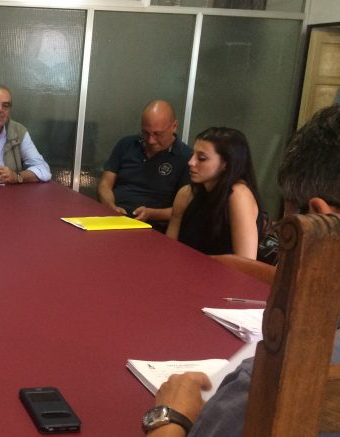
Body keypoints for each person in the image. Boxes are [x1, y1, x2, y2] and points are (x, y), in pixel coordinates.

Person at [143, 104, 340, 437]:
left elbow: (243, 259)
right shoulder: (187, 195)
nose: (191, 163)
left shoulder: (275, 380)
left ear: (320, 218)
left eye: (287, 223)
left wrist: (169, 417)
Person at [166, 127, 263, 259]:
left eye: (202, 158)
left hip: (222, 271)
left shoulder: (238, 195)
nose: (191, 162)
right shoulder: (185, 194)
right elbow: (170, 249)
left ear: (226, 163)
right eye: (193, 155)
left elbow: (245, 263)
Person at [97, 100, 192, 226]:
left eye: (158, 134)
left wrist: (151, 214)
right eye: (146, 133)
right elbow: (105, 184)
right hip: (113, 218)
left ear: (174, 127)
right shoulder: (126, 144)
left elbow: (184, 211)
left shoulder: (186, 157)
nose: (151, 140)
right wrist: (110, 206)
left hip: (153, 225)